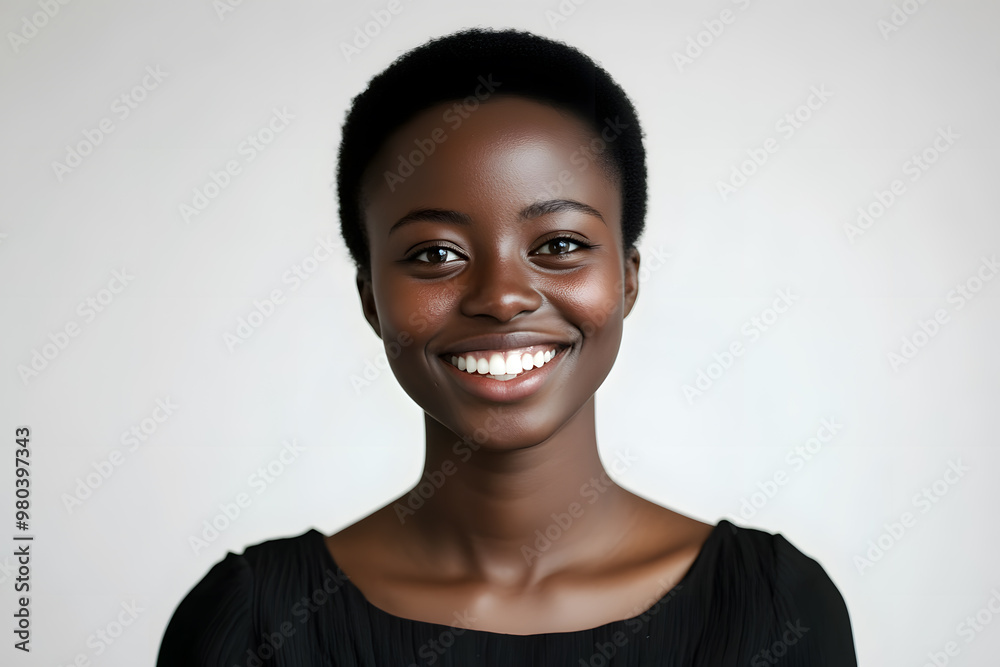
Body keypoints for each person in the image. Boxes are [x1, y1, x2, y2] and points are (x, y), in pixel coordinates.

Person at [158, 27, 858, 666]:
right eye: (435, 253)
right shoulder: (253, 622)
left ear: (628, 279)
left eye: (558, 245)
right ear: (371, 296)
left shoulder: (774, 607)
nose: (501, 295)